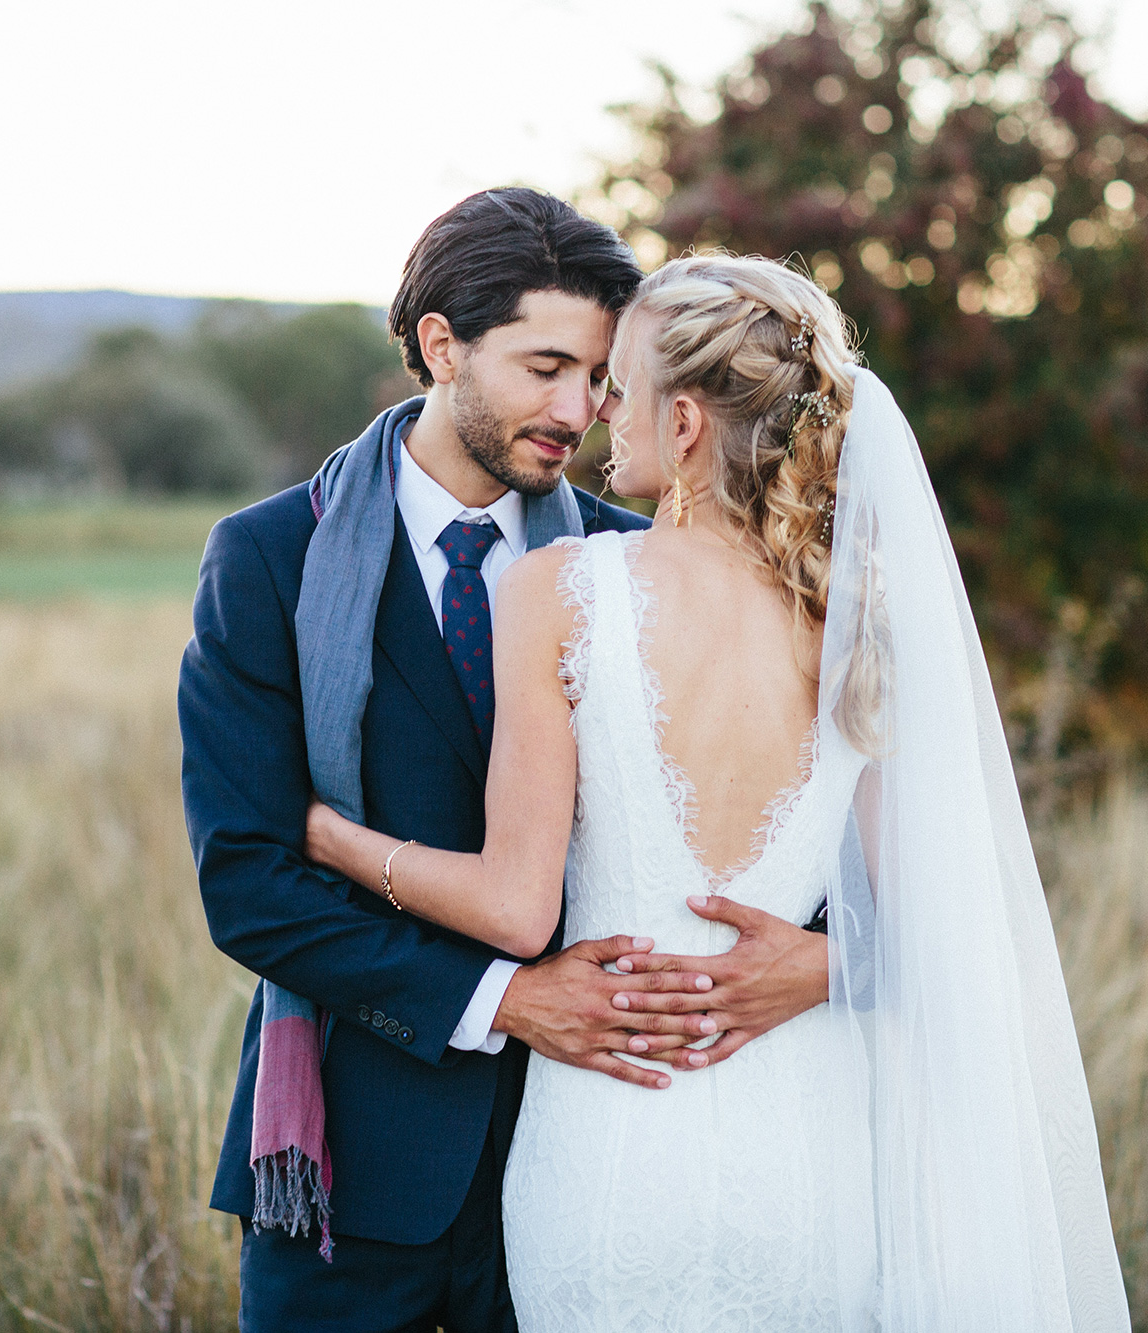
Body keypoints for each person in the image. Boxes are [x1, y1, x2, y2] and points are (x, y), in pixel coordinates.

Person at [304, 253, 1133, 1330]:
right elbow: (937, 924)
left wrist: (331, 839)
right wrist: (826, 963)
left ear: (685, 423)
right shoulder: (858, 621)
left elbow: (515, 907)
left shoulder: (557, 589)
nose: (601, 410)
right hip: (809, 1157)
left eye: (622, 385)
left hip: (609, 1155)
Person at [179, 192, 837, 1332]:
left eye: (597, 377)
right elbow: (247, 880)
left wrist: (820, 962)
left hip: (595, 1154)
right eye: (543, 368)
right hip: (352, 1170)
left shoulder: (639, 561)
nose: (577, 410)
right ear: (441, 345)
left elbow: (764, 827)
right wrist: (507, 1001)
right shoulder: (269, 559)